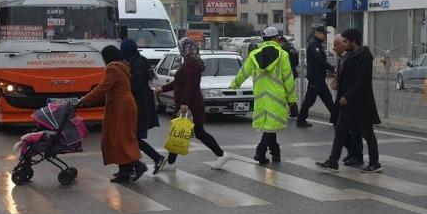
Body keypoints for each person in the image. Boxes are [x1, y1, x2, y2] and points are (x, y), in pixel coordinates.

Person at [154, 38, 229, 170]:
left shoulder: (192, 64)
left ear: (187, 49)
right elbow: (179, 82)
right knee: (179, 132)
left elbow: (191, 85)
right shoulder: (189, 62)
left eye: (181, 48)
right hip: (189, 103)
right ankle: (170, 163)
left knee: (190, 132)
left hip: (191, 104)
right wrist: (163, 89)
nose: (180, 50)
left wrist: (185, 103)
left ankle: (221, 155)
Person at [77, 45, 148, 183]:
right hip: (125, 105)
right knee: (121, 137)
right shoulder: (122, 66)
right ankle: (124, 171)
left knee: (120, 138)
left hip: (121, 106)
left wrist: (84, 100)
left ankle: (137, 165)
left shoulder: (113, 69)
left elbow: (102, 88)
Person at [316, 28, 382, 173]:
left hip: (361, 102)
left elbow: (362, 81)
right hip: (348, 103)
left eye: (346, 42)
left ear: (353, 41)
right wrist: (338, 85)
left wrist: (348, 96)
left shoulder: (364, 56)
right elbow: (347, 77)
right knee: (340, 129)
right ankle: (333, 162)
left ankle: (374, 163)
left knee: (367, 132)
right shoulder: (351, 56)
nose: (344, 44)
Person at [230, 27, 298, 165]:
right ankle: (260, 152)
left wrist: (234, 85)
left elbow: (243, 72)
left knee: (269, 127)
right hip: (277, 98)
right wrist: (292, 101)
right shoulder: (282, 55)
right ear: (275, 39)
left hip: (261, 97)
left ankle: (276, 153)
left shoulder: (254, 54)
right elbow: (288, 79)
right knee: (271, 127)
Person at [120, 38, 167, 174]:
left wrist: (124, 88)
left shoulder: (135, 63)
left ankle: (156, 158)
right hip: (142, 104)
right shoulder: (139, 59)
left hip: (139, 106)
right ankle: (129, 167)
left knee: (132, 137)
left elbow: (137, 84)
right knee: (132, 137)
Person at [329, 35, 364, 167]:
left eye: (335, 45)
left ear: (343, 45)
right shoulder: (341, 58)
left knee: (355, 129)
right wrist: (335, 82)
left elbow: (355, 80)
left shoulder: (350, 58)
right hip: (342, 98)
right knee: (339, 126)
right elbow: (340, 76)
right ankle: (352, 152)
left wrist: (346, 94)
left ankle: (356, 155)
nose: (333, 47)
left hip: (350, 99)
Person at [297, 26, 336, 127]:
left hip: (318, 77)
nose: (325, 36)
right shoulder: (313, 44)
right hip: (315, 77)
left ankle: (301, 119)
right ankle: (336, 118)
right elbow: (319, 60)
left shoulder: (317, 44)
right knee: (322, 98)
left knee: (317, 98)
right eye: (324, 34)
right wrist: (332, 68)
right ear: (317, 33)